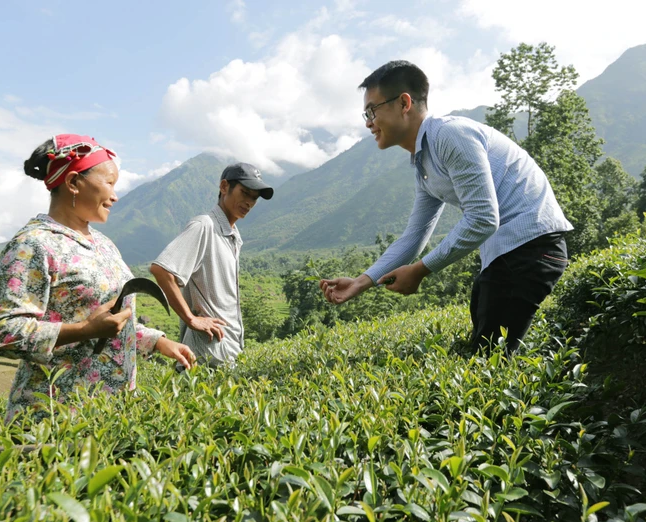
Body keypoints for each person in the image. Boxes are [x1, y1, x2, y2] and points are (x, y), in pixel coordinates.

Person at [320, 61, 574, 353]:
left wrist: (420, 270)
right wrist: (361, 282)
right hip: (507, 254)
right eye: (366, 114)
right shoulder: (424, 162)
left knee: (488, 358)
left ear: (404, 102)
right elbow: (414, 236)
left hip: (530, 247)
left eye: (372, 111)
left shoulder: (449, 135)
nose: (368, 122)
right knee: (486, 351)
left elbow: (483, 218)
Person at [0, 134, 197, 421]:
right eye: (109, 183)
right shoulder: (34, 244)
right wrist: (84, 330)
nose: (115, 195)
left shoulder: (104, 244)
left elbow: (109, 320)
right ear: (73, 183)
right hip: (53, 418)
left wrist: (156, 341)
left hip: (107, 415)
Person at [150, 162, 273, 367]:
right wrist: (191, 319)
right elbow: (161, 270)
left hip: (226, 349)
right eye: (244, 193)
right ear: (224, 187)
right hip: (207, 352)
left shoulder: (232, 235)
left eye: (254, 197)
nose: (249, 202)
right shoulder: (204, 226)